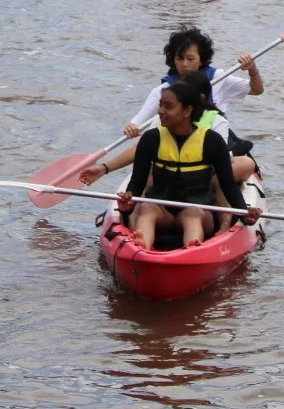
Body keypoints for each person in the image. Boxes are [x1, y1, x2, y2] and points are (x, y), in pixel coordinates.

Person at [83, 28, 262, 184]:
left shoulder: (217, 91)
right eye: (179, 58)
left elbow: (256, 90)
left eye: (190, 58)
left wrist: (252, 69)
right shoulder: (163, 92)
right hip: (174, 152)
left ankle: (210, 187)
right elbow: (138, 128)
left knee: (244, 164)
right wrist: (131, 129)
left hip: (211, 151)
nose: (184, 64)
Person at [116, 74, 261, 248]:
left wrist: (244, 213)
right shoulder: (151, 138)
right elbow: (137, 183)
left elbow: (229, 186)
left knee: (192, 213)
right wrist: (127, 204)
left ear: (187, 111)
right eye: (161, 105)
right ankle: (141, 246)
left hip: (200, 212)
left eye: (168, 107)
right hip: (162, 212)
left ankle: (192, 246)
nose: (160, 111)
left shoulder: (211, 141)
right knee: (147, 208)